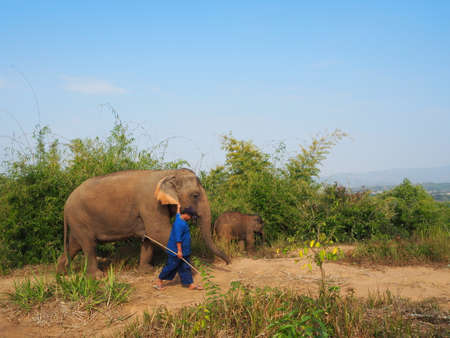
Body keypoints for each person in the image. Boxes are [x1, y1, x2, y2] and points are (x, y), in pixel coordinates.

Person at [154, 205, 203, 291]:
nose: (190, 218)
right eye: (190, 217)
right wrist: (179, 251)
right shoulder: (179, 224)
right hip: (176, 251)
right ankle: (159, 281)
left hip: (185, 251)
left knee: (186, 267)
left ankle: (190, 284)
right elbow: (178, 239)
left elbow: (178, 213)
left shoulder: (179, 218)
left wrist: (178, 208)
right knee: (171, 266)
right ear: (187, 215)